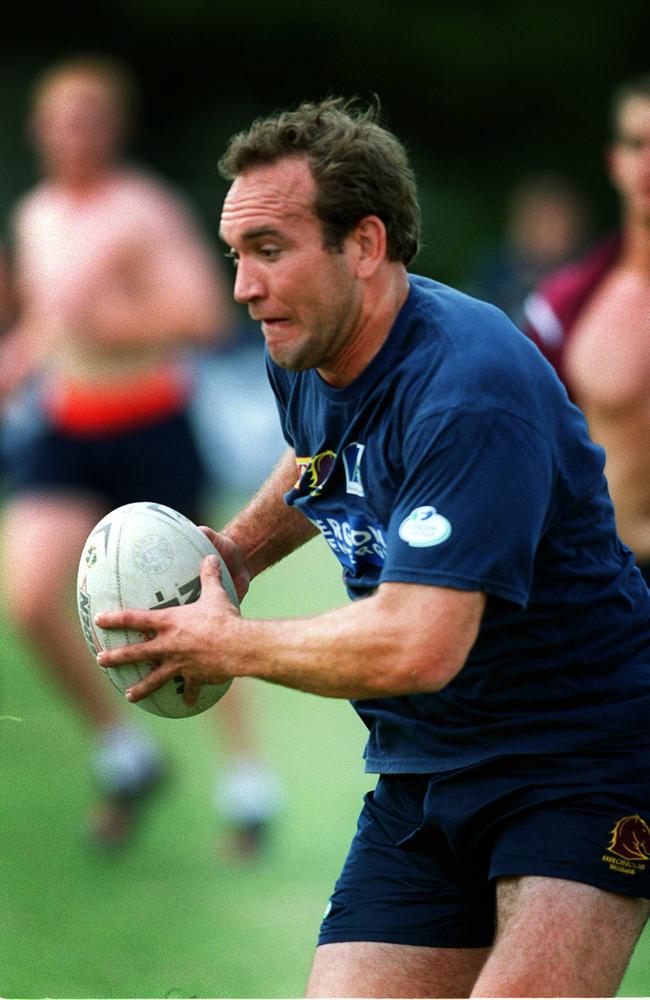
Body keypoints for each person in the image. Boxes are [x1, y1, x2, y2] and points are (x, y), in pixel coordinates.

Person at [93, 97, 649, 998]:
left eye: (271, 250)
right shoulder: (309, 349)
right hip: (423, 770)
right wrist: (233, 555)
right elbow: (320, 457)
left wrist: (232, 644)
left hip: (577, 760)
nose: (243, 287)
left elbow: (418, 643)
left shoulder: (470, 392)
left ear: (364, 244)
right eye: (237, 256)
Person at [0, 54, 283, 855]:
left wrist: (109, 324)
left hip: (150, 420)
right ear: (41, 128)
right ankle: (124, 752)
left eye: (90, 118)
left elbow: (202, 315)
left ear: (113, 130)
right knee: (27, 600)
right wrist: (21, 355)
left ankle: (246, 780)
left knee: (197, 603)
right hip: (68, 424)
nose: (74, 132)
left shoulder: (144, 210)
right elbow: (49, 322)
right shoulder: (37, 216)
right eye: (61, 117)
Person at [523, 72, 650, 588]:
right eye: (638, 143)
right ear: (614, 161)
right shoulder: (563, 308)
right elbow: (525, 452)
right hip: (617, 587)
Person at [463, 172, 590, 328]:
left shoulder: (587, 282)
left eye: (553, 221)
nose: (541, 230)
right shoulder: (494, 276)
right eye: (536, 219)